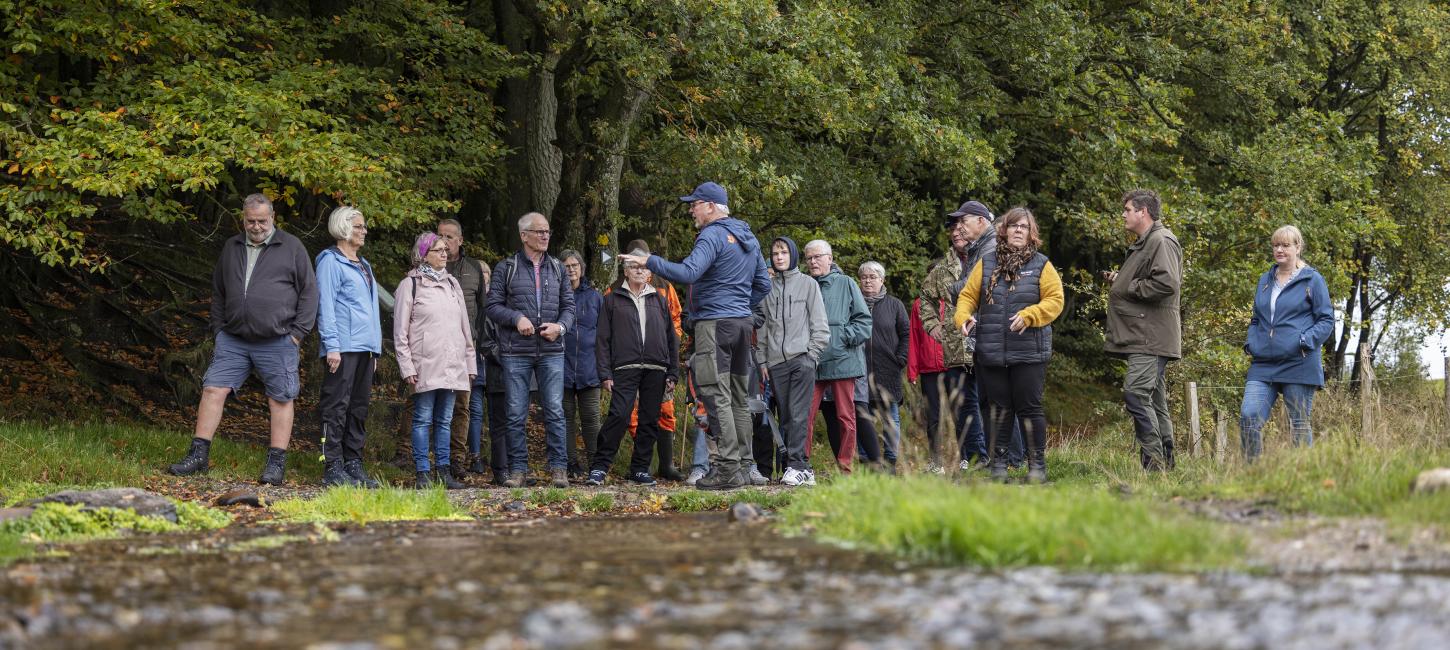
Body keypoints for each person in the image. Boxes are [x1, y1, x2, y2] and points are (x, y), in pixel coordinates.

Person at [618, 182, 771, 491]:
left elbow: (688, 273)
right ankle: (741, 466)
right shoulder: (748, 238)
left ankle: (727, 467)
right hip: (742, 325)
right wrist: (739, 303)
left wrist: (650, 261)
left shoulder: (712, 235)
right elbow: (763, 286)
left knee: (717, 395)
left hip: (715, 325)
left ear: (711, 206)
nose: (691, 209)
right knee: (740, 397)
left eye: (695, 204)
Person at [168, 194, 318, 485]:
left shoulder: (291, 247)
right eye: (251, 221)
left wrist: (298, 335)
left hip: (278, 339)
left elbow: (309, 293)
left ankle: (276, 464)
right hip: (234, 339)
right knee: (213, 389)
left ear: (272, 217)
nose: (257, 226)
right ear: (243, 219)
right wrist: (218, 329)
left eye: (262, 220)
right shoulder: (232, 246)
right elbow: (219, 290)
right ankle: (198, 455)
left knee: (281, 398)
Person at [954, 207, 1063, 483]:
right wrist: (963, 317)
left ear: (1031, 233)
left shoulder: (1042, 264)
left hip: (1029, 351)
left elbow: (1055, 300)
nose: (1018, 230)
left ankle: (1037, 468)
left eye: (1023, 227)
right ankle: (999, 466)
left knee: (1029, 408)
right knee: (998, 409)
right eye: (1013, 225)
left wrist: (1031, 315)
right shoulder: (986, 263)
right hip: (991, 351)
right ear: (1003, 230)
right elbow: (967, 296)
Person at [486, 212, 575, 488]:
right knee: (515, 412)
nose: (545, 236)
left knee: (555, 411)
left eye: (547, 231)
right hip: (516, 351)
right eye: (539, 232)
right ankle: (518, 471)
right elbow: (492, 306)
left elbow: (569, 309)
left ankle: (559, 469)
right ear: (524, 235)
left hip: (551, 350)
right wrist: (516, 319)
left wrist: (559, 327)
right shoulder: (506, 267)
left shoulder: (558, 269)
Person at [1239, 225, 1335, 461]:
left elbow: (1326, 320)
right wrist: (1253, 342)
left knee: (1299, 425)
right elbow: (1256, 318)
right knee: (1249, 416)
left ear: (1298, 247)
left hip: (1299, 362)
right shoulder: (1265, 279)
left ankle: (1303, 476)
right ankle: (1253, 475)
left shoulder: (1312, 279)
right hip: (1264, 363)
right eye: (1275, 245)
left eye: (1285, 245)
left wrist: (1303, 341)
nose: (1279, 250)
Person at [1105, 189, 1183, 471]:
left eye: (1127, 209)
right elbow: (1147, 277)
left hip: (1151, 337)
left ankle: (1154, 462)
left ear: (1143, 212)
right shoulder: (1145, 243)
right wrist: (1121, 279)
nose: (1123, 214)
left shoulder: (1161, 240)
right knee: (1154, 399)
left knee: (1136, 393)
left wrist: (1128, 286)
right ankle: (1166, 465)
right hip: (1145, 334)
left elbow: (1165, 284)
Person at [587, 250, 680, 485]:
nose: (639, 270)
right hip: (624, 367)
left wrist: (673, 371)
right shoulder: (612, 299)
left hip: (656, 367)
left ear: (650, 272)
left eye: (643, 267)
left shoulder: (659, 298)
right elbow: (602, 339)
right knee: (618, 415)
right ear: (625, 271)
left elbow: (671, 337)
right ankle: (600, 467)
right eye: (634, 266)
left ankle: (639, 468)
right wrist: (604, 373)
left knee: (650, 419)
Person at [395, 233, 475, 489]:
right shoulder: (410, 285)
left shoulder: (453, 284)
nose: (445, 253)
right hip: (424, 365)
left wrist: (469, 364)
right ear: (423, 254)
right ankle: (422, 473)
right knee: (422, 419)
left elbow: (464, 328)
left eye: (445, 250)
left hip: (452, 365)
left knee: (445, 420)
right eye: (438, 250)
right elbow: (400, 332)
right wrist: (407, 366)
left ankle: (443, 471)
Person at [919, 201, 991, 473]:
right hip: (955, 347)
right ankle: (972, 458)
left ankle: (1001, 457)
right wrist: (932, 325)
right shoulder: (941, 270)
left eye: (962, 231)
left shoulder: (987, 256)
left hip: (985, 341)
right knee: (963, 407)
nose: (958, 235)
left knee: (992, 400)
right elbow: (924, 297)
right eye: (954, 233)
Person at [314, 206, 382, 488]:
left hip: (365, 348)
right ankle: (332, 466)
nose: (363, 231)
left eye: (364, 227)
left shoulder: (364, 265)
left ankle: (354, 463)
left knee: (358, 408)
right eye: (358, 226)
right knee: (336, 407)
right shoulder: (330, 261)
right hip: (341, 347)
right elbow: (325, 306)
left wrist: (375, 349)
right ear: (342, 228)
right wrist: (332, 346)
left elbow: (372, 310)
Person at [754, 237, 829, 486]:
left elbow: (820, 324)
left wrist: (812, 356)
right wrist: (763, 361)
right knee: (787, 417)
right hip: (776, 363)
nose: (779, 257)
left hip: (802, 360)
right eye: (775, 253)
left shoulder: (808, 285)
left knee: (798, 414)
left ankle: (795, 466)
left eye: (783, 252)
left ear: (792, 255)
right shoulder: (767, 289)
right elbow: (763, 329)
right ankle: (804, 469)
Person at [802, 239, 878, 473]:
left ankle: (846, 467)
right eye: (809, 258)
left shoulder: (846, 283)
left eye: (817, 257)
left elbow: (864, 321)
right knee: (804, 416)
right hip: (812, 360)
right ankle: (801, 466)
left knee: (846, 416)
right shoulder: (804, 285)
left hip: (843, 359)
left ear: (830, 258)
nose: (813, 261)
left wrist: (843, 336)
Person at [621, 239, 686, 481]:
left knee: (665, 410)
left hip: (660, 360)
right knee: (633, 413)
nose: (639, 267)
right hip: (628, 362)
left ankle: (666, 465)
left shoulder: (664, 286)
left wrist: (673, 349)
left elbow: (676, 321)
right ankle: (642, 464)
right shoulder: (616, 287)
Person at [859, 261, 909, 470]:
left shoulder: (895, 305)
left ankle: (890, 460)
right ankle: (866, 460)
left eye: (872, 277)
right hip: (859, 370)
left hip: (888, 369)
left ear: (882, 280)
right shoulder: (854, 302)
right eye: (864, 277)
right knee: (863, 417)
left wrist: (901, 358)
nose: (868, 281)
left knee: (891, 419)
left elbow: (906, 334)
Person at [560, 249, 603, 479]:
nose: (571, 270)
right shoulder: (555, 295)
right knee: (565, 418)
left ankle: (596, 464)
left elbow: (605, 334)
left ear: (581, 268)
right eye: (566, 266)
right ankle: (569, 463)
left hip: (590, 368)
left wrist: (604, 368)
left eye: (574, 265)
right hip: (562, 367)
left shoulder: (595, 297)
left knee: (591, 419)